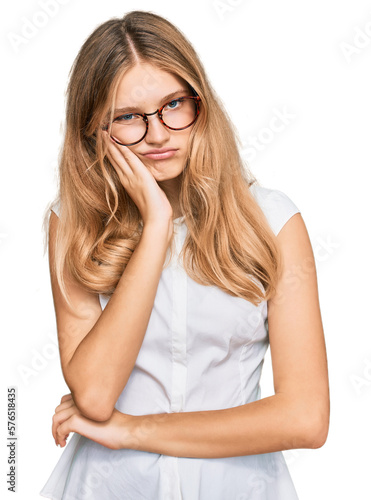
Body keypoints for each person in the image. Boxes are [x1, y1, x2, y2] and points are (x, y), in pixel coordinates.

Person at [40, 10, 329, 500]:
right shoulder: (74, 223)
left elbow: (305, 418)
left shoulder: (273, 222)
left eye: (174, 104)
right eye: (129, 117)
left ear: (201, 102)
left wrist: (134, 430)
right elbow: (94, 394)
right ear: (95, 130)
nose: (157, 133)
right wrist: (155, 226)